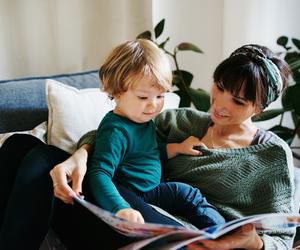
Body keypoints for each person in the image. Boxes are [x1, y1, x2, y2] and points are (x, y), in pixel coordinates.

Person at [0, 43, 294, 250]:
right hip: (129, 214)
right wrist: (80, 154)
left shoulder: (271, 155)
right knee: (20, 146)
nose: (219, 104)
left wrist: (253, 242)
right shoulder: (185, 121)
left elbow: (282, 238)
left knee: (37, 156)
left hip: (184, 237)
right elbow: (121, 129)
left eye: (238, 101)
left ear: (261, 108)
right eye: (219, 86)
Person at [86, 39, 224, 228]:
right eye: (143, 97)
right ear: (116, 92)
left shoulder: (142, 120)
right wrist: (120, 208)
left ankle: (221, 231)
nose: (153, 104)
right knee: (187, 194)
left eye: (160, 96)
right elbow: (99, 172)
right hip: (138, 193)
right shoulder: (115, 130)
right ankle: (225, 234)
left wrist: (177, 148)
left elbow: (145, 152)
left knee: (191, 196)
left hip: (151, 186)